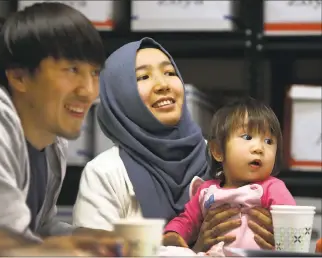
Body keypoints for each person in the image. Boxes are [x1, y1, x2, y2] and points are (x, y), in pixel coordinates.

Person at [0, 2, 127, 254]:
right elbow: (4, 244)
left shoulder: (51, 144)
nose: (89, 91)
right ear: (19, 77)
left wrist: (88, 237)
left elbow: (39, 228)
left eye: (94, 73)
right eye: (72, 70)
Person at [72, 37, 276, 252]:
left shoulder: (222, 156)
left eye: (170, 73)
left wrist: (270, 235)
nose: (163, 85)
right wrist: (195, 250)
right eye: (143, 77)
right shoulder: (104, 173)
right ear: (119, 94)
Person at [163, 97, 296, 254]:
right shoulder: (206, 191)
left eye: (268, 141)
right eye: (247, 137)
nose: (259, 148)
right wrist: (172, 234)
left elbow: (292, 221)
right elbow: (187, 220)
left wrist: (283, 238)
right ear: (218, 151)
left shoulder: (271, 188)